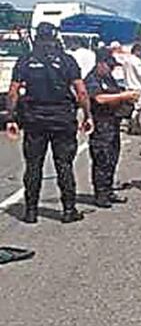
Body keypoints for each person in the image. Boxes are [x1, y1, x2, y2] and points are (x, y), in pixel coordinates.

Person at [4, 23, 93, 224]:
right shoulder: (67, 60)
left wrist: (11, 118)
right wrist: (87, 115)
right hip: (62, 118)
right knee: (64, 165)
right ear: (55, 38)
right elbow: (81, 92)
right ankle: (69, 210)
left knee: (33, 165)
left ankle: (31, 211)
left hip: (35, 119)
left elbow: (13, 92)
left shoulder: (26, 60)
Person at [85, 48, 140, 208]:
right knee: (101, 159)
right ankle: (100, 194)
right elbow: (99, 98)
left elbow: (114, 93)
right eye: (110, 66)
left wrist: (125, 97)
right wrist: (124, 96)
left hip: (112, 123)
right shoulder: (92, 79)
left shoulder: (108, 78)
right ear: (101, 64)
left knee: (112, 159)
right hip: (100, 124)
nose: (112, 69)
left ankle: (108, 190)